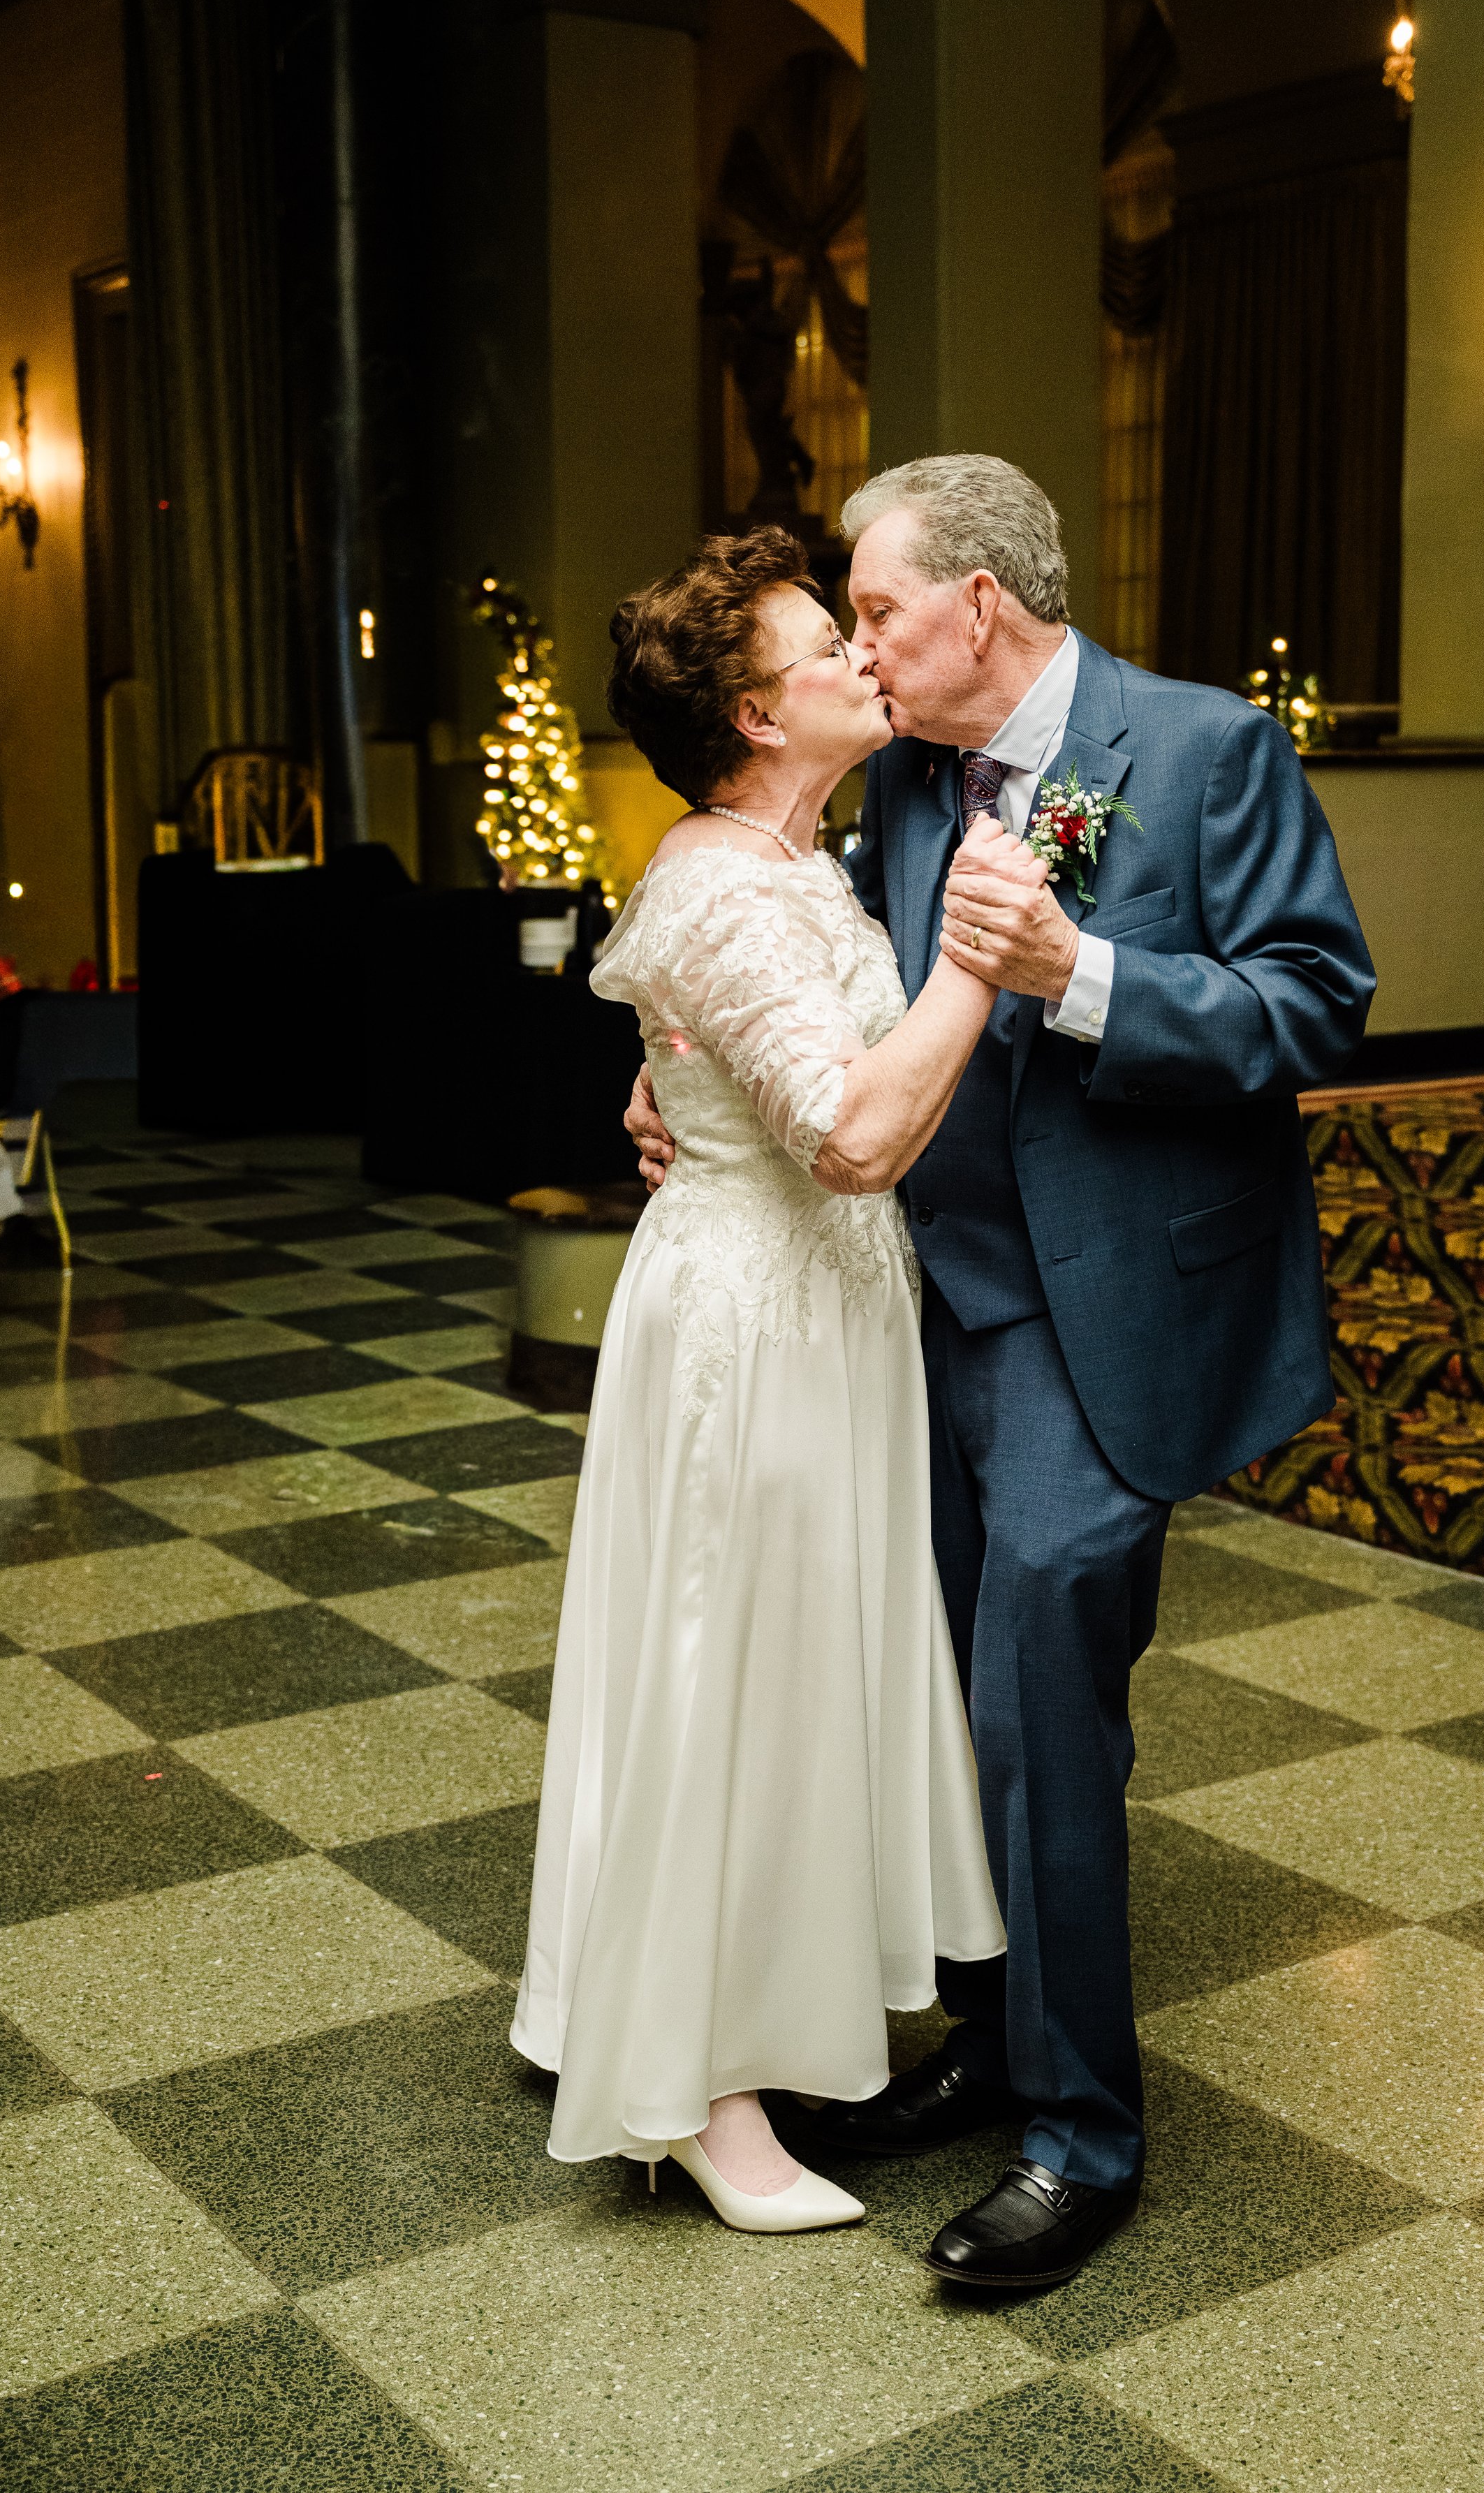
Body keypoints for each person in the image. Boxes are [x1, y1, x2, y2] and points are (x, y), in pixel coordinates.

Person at [629, 454, 1376, 2289]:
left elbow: (1315, 1000)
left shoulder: (1203, 752)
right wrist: (673, 1077)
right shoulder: (894, 779)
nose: (862, 650)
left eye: (875, 609)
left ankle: (1076, 2132)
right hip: (910, 1303)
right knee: (925, 1690)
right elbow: (774, 948)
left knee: (1037, 1683)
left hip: (1099, 1308)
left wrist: (1091, 970)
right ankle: (980, 2029)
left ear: (976, 601)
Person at [511, 524, 1007, 2235]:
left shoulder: (789, 857)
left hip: (813, 1306)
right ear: (749, 711)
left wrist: (668, 1084)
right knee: (731, 1676)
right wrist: (974, 965)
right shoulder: (726, 881)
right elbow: (854, 1135)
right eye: (828, 646)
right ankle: (702, 2100)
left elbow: (723, 1060)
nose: (865, 659)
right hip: (755, 1320)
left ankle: (670, 2000)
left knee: (772, 1670)